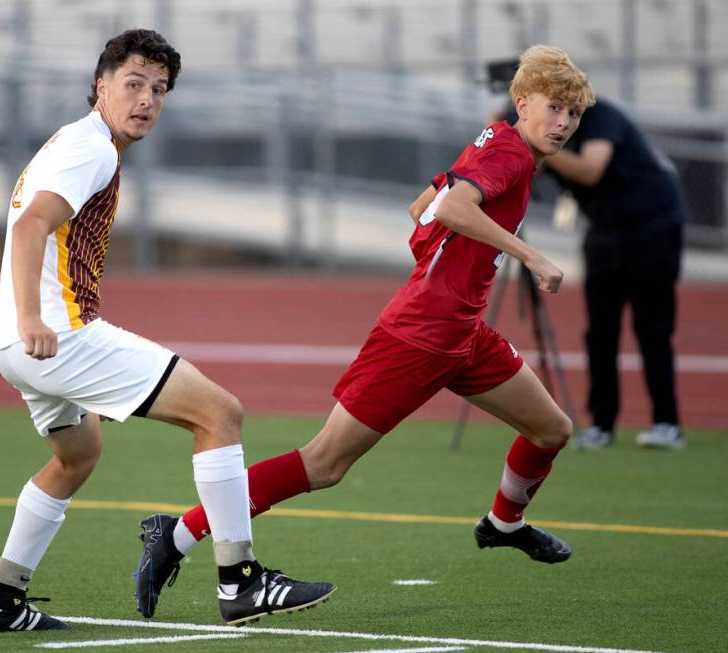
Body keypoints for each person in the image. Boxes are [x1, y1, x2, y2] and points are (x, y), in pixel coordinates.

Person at [134, 44, 596, 619]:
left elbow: (420, 208)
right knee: (323, 464)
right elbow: (450, 209)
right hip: (420, 335)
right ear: (522, 103)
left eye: (572, 115)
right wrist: (530, 256)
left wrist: (454, 260)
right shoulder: (511, 156)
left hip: (462, 332)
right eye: (554, 108)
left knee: (552, 429)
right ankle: (176, 532)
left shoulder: (497, 140)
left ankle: (503, 523)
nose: (563, 123)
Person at [0, 29, 334, 633]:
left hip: (15, 344)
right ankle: (240, 582)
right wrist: (35, 318)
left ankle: (0, 599)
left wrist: (25, 325)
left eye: (158, 90)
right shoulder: (94, 150)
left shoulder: (75, 142)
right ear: (100, 86)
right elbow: (32, 226)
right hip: (58, 335)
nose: (146, 100)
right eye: (133, 84)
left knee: (76, 456)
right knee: (220, 413)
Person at [542, 99, 686, 451]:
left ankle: (666, 423)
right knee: (600, 333)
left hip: (652, 226)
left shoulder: (599, 116)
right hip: (604, 230)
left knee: (652, 327)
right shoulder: (542, 129)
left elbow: (591, 169)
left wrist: (538, 145)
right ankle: (601, 426)